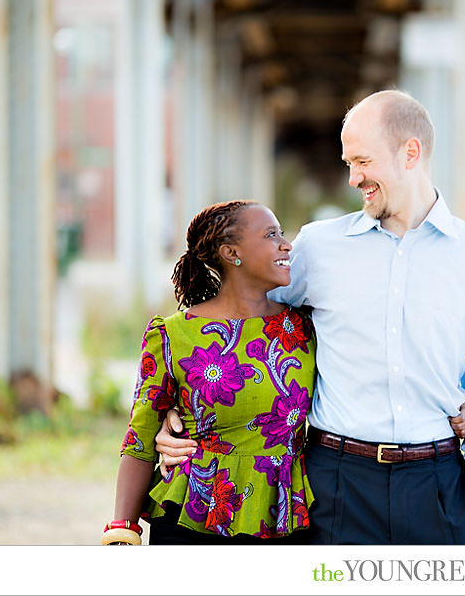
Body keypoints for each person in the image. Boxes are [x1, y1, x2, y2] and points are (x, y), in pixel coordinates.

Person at [156, 90, 465, 545]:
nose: (353, 178)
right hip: (337, 486)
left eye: (362, 161)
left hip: (442, 488)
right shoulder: (318, 248)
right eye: (348, 163)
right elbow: (237, 313)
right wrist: (182, 402)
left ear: (411, 152)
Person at [105, 200, 318, 544]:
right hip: (192, 516)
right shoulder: (172, 334)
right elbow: (140, 438)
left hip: (283, 516)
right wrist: (121, 531)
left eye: (281, 233)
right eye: (270, 235)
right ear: (232, 252)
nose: (286, 244)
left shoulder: (303, 327)